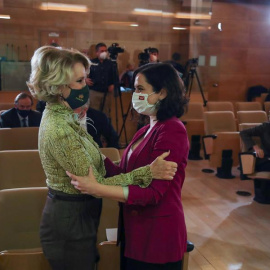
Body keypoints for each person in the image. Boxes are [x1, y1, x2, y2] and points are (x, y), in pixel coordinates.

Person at [27, 46, 178, 270]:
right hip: (70, 220)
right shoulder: (60, 126)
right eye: (79, 81)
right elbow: (94, 183)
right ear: (58, 86)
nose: (86, 85)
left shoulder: (66, 115)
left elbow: (97, 163)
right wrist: (147, 172)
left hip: (80, 216)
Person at [68, 63, 189, 270]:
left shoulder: (172, 130)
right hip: (135, 231)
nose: (135, 94)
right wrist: (90, 150)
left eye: (140, 89)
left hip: (157, 235)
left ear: (162, 92)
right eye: (135, 89)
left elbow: (152, 193)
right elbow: (125, 175)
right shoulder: (146, 129)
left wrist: (97, 188)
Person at [36, 100, 119, 148]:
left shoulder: (98, 117)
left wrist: (108, 154)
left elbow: (113, 138)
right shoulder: (60, 117)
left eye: (74, 109)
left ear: (85, 109)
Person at [86, 42, 114, 118]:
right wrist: (85, 80)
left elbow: (113, 76)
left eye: (105, 51)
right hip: (94, 91)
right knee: (93, 113)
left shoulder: (110, 63)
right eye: (102, 51)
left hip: (106, 92)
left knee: (106, 113)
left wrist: (112, 84)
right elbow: (83, 73)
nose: (104, 53)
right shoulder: (91, 63)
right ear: (97, 52)